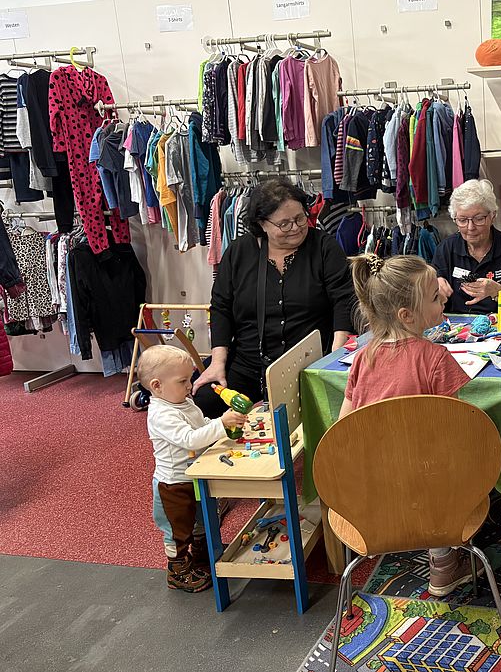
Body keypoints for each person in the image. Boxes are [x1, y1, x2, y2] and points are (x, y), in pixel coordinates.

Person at [339, 253, 478, 597]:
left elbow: (343, 429)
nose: (445, 296)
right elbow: (457, 433)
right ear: (407, 315)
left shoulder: (361, 357)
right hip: (429, 491)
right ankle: (443, 561)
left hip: (372, 495)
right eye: (435, 296)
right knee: (465, 461)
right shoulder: (435, 359)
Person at [193, 178, 356, 417]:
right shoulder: (239, 252)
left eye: (300, 218)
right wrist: (218, 363)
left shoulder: (323, 246)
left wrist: (333, 359)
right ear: (262, 224)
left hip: (307, 362)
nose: (296, 228)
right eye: (284, 224)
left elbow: (344, 300)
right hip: (249, 362)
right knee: (204, 401)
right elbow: (221, 307)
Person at [140, 344, 249, 592]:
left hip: (195, 475)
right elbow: (190, 438)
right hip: (174, 484)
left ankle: (202, 556)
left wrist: (224, 427)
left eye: (190, 379)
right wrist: (222, 423)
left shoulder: (183, 403)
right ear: (157, 386)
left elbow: (201, 425)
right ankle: (178, 570)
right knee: (178, 529)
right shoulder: (160, 414)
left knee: (203, 519)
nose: (190, 386)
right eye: (183, 381)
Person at [432, 179, 501, 315]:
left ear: (492, 216)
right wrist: (435, 290)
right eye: (462, 220)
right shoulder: (445, 249)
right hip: (457, 326)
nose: (470, 227)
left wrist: (498, 292)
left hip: (500, 325)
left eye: (478, 219)